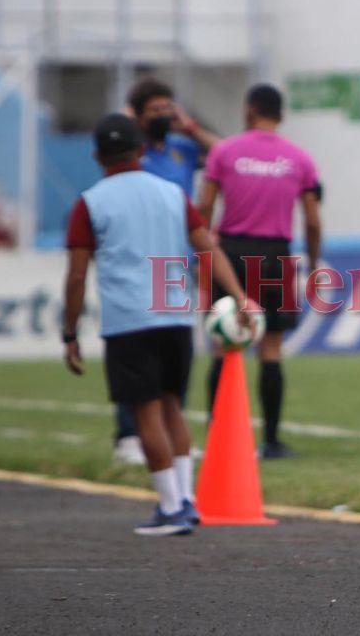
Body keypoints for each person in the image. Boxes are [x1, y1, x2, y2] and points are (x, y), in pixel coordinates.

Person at [62, 113, 255, 536]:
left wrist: (70, 332)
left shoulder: (89, 203)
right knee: (172, 407)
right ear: (141, 149)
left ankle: (171, 508)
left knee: (146, 412)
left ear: (97, 156)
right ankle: (186, 500)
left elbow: (77, 275)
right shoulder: (172, 193)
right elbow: (208, 249)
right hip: (175, 315)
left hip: (129, 320)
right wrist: (240, 297)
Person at [197, 84, 322, 460]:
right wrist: (314, 261)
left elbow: (204, 206)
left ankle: (219, 437)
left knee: (224, 344)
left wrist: (204, 251)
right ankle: (271, 440)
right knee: (271, 349)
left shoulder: (224, 151)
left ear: (249, 111)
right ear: (280, 115)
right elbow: (313, 221)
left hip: (232, 252)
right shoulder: (300, 159)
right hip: (276, 255)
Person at [110, 79, 221, 465]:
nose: (161, 116)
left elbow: (223, 153)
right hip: (137, 257)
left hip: (176, 262)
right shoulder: (131, 153)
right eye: (153, 110)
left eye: (166, 109)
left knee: (175, 350)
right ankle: (128, 434)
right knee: (134, 346)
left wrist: (190, 127)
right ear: (138, 116)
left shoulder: (182, 149)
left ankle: (174, 434)